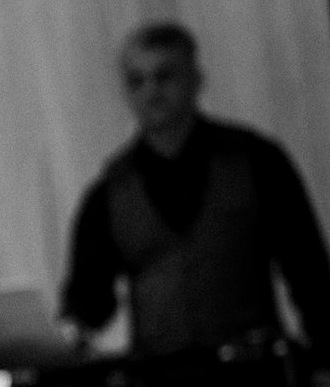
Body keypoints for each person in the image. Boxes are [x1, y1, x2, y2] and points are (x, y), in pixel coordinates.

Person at [61, 20, 330, 358]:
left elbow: (309, 273)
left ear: (196, 80)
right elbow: (88, 298)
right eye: (136, 81)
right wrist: (68, 334)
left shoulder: (255, 160)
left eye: (164, 76)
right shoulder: (110, 190)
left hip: (253, 376)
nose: (151, 91)